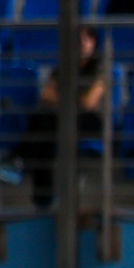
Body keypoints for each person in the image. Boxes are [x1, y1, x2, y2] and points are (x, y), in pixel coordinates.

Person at [16, 25, 105, 210]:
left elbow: (88, 103)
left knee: (45, 123)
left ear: (93, 42)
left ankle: (19, 161)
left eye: (84, 41)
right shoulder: (63, 67)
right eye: (77, 42)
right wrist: (72, 100)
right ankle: (42, 197)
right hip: (61, 119)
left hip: (88, 122)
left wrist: (62, 99)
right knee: (45, 132)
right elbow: (46, 96)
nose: (80, 45)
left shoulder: (100, 68)